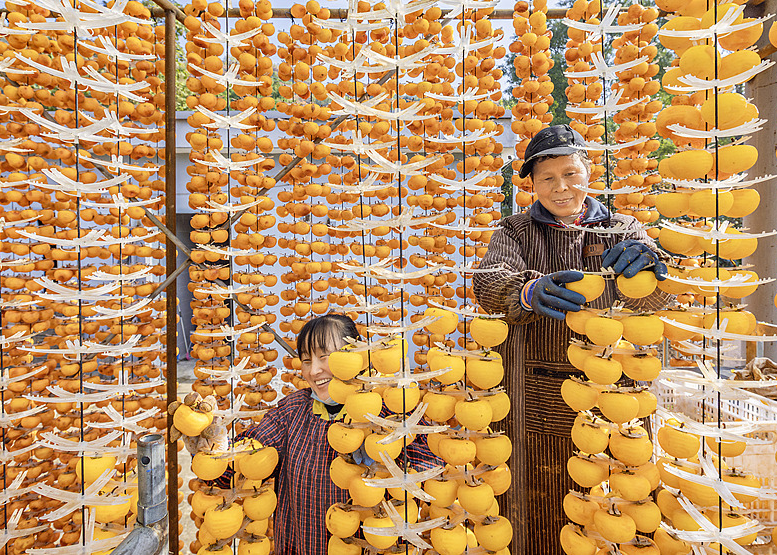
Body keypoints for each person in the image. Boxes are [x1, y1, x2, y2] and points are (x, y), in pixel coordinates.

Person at [472, 124, 673, 554]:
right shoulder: (515, 232)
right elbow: (489, 282)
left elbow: (659, 300)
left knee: (612, 510)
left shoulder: (623, 228)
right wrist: (526, 291)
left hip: (612, 396)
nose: (560, 187)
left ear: (588, 170)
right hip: (533, 392)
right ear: (531, 184)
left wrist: (652, 265)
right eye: (547, 178)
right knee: (534, 510)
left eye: (570, 173)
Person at [181, 314, 441, 555]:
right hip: (300, 544)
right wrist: (216, 450)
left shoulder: (389, 412)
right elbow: (246, 464)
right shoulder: (293, 411)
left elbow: (429, 467)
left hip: (369, 545)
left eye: (324, 357)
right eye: (306, 360)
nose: (314, 370)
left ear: (357, 356)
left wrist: (384, 457)